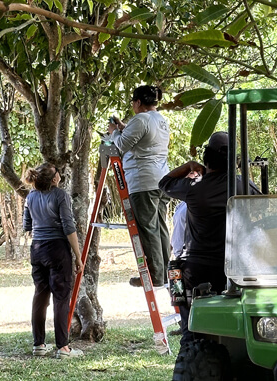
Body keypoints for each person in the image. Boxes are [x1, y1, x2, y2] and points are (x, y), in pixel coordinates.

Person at [159, 131, 258, 346]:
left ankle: (188, 341)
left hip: (194, 271)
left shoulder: (194, 188)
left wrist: (189, 166)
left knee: (189, 328)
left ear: (207, 158)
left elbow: (164, 183)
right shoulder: (243, 186)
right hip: (231, 271)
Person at [108, 85, 171, 288]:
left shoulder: (140, 119)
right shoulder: (161, 120)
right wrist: (123, 128)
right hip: (161, 179)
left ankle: (154, 276)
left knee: (148, 229)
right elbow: (143, 137)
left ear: (137, 102)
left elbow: (121, 146)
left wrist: (113, 133)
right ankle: (166, 272)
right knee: (160, 227)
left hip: (143, 180)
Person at [23, 163, 85, 359]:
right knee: (61, 297)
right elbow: (68, 227)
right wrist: (78, 255)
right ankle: (63, 347)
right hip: (57, 249)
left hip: (37, 248)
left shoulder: (30, 196)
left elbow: (27, 225)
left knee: (40, 296)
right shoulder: (60, 195)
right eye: (58, 172)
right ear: (54, 178)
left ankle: (39, 344)